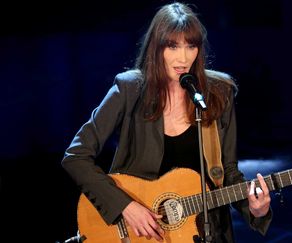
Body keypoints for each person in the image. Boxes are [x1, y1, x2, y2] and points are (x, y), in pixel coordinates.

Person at [61, 2, 272, 243]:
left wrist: (257, 210)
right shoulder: (129, 89)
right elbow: (76, 156)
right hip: (139, 232)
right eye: (173, 46)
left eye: (190, 46)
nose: (183, 57)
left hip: (205, 233)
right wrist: (126, 206)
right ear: (156, 48)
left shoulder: (218, 93)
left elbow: (228, 172)